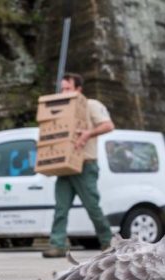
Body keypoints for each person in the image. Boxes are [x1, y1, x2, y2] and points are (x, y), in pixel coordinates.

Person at [42, 72, 115, 258]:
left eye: (68, 88)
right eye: (62, 88)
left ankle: (108, 242)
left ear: (78, 89)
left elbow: (108, 125)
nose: (64, 91)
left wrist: (86, 134)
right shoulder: (60, 107)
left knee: (92, 206)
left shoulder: (91, 105)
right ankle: (57, 244)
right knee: (61, 208)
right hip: (66, 165)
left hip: (85, 164)